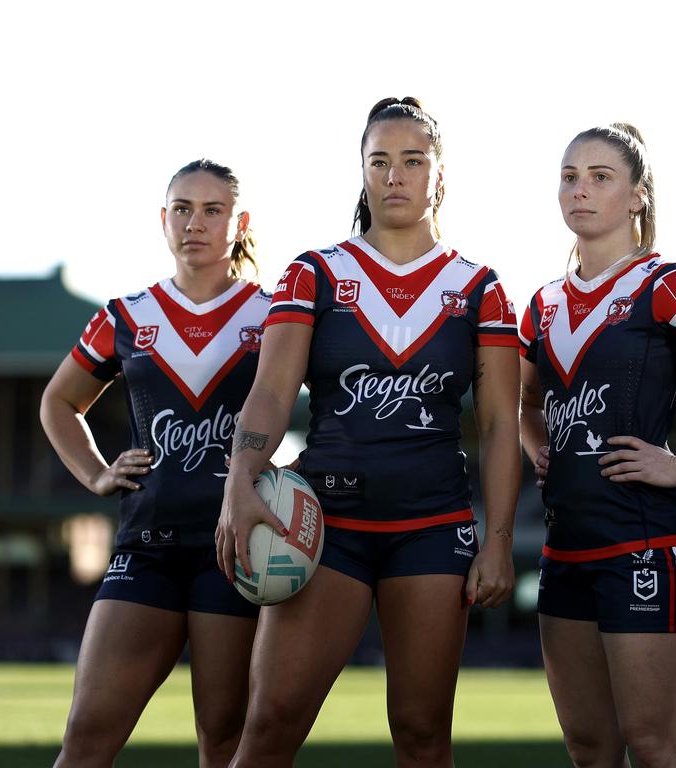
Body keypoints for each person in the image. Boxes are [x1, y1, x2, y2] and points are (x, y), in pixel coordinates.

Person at [216, 97, 521, 768]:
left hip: (433, 528)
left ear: (440, 177)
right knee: (271, 722)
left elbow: (501, 426)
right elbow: (269, 392)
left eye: (413, 161)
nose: (395, 176)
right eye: (379, 162)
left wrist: (498, 540)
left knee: (420, 735)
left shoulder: (480, 289)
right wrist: (240, 479)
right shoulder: (315, 273)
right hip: (328, 527)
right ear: (362, 175)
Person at [519, 124, 676, 768]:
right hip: (565, 549)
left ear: (637, 196)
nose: (580, 189)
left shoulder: (662, 280)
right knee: (589, 749)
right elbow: (521, 402)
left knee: (657, 746)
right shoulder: (543, 304)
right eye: (569, 176)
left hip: (644, 544)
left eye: (601, 177)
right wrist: (533, 442)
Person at [40, 159, 272, 767]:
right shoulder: (127, 315)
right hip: (145, 545)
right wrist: (95, 472)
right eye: (181, 209)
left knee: (223, 741)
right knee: (86, 736)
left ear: (239, 222)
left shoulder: (274, 316)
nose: (195, 222)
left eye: (213, 210)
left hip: (236, 550)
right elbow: (59, 402)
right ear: (162, 219)